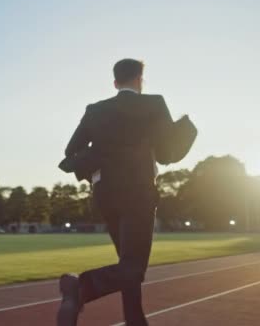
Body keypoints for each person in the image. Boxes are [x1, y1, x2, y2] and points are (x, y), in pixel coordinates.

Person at [57, 58, 183, 326]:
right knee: (134, 266)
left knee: (128, 264)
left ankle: (135, 320)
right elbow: (166, 154)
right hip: (138, 193)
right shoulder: (155, 103)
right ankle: (81, 288)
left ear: (115, 83)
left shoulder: (95, 110)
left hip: (105, 195)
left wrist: (96, 167)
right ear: (140, 80)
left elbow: (71, 153)